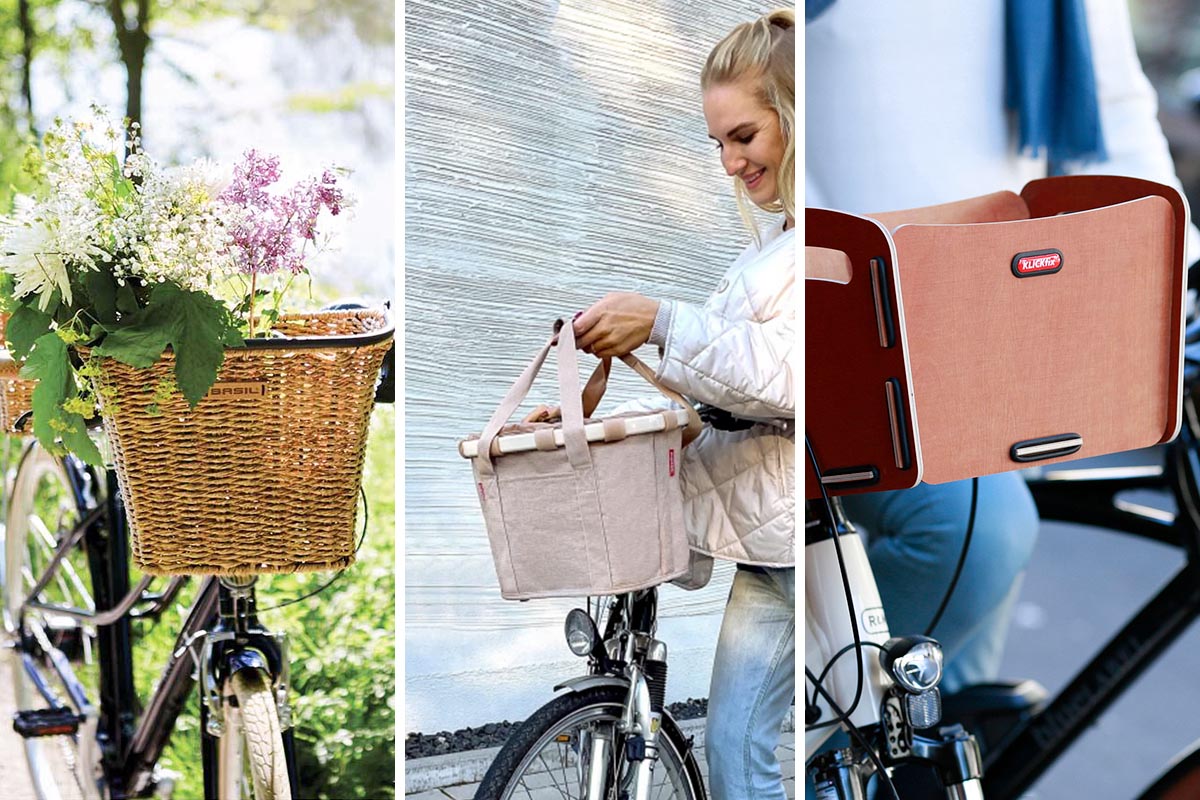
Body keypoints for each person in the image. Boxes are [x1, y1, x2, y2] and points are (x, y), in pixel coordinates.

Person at [806, 0, 1200, 794]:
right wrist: (837, 281)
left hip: (1012, 341)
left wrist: (1184, 288)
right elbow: (776, 128)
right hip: (857, 328)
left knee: (950, 729)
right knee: (976, 533)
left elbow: (1118, 117)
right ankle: (801, 746)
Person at [563, 9, 796, 799]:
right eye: (718, 144)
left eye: (745, 136)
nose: (730, 163)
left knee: (740, 753)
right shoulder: (769, 249)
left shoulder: (817, 242)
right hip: (772, 541)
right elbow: (741, 393)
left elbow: (788, 376)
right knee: (736, 752)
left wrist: (661, 319)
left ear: (796, 118)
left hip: (798, 550)